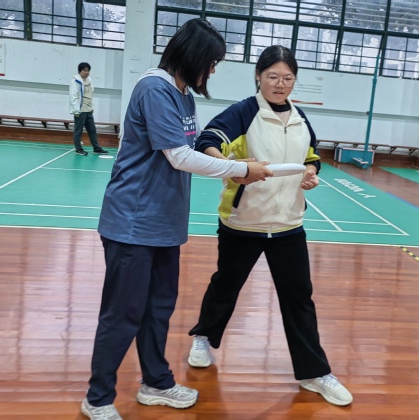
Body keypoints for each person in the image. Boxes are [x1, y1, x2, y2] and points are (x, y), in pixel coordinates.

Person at [80, 19, 272, 420]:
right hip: (133, 222)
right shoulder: (155, 89)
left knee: (159, 308)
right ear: (192, 56)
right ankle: (98, 398)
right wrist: (240, 169)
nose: (213, 70)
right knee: (123, 313)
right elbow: (179, 156)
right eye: (211, 62)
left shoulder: (184, 97)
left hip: (164, 224)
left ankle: (156, 382)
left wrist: (232, 161)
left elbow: (193, 150)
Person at [186, 45, 354, 407]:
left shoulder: (299, 117)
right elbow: (207, 142)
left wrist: (311, 172)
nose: (280, 84)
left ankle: (314, 372)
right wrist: (235, 167)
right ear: (258, 77)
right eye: (273, 76)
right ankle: (203, 338)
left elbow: (311, 154)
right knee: (225, 286)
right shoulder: (243, 112)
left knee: (299, 299)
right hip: (243, 223)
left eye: (288, 78)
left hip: (288, 224)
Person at [69, 62, 109, 156]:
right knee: (78, 131)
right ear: (80, 71)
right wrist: (76, 110)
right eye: (84, 70)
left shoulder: (89, 80)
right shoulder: (75, 81)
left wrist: (92, 107)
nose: (86, 72)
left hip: (88, 109)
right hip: (80, 110)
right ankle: (78, 149)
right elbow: (73, 96)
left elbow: (90, 95)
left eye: (88, 70)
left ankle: (96, 148)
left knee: (92, 130)